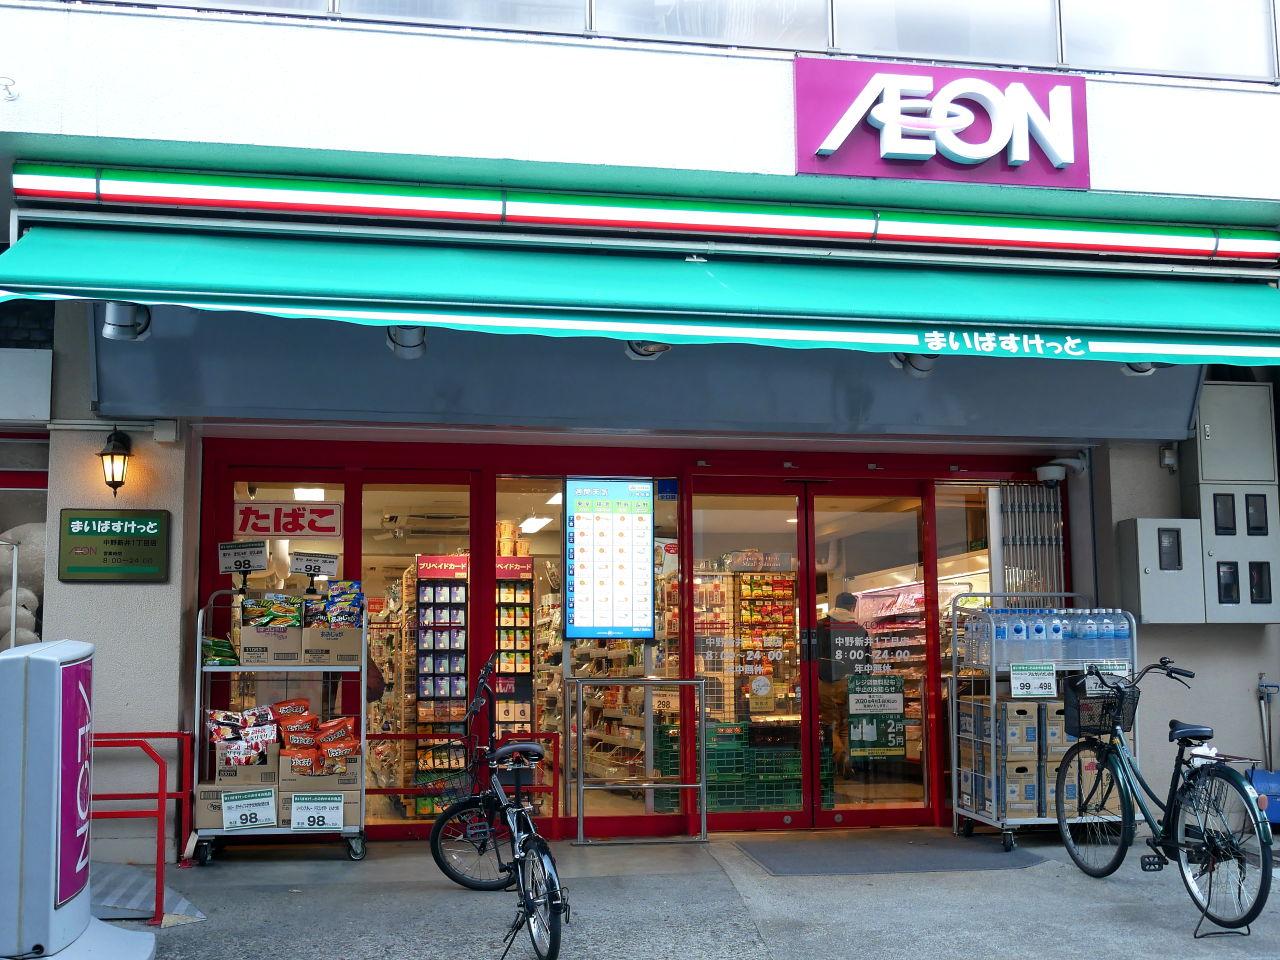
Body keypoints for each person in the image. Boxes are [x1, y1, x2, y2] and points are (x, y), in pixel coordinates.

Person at [817, 593, 868, 774]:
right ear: (852, 607)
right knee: (846, 724)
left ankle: (840, 756)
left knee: (830, 723)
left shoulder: (820, 626)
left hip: (826, 682)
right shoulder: (859, 630)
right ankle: (845, 761)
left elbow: (813, 655)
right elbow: (866, 660)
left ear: (836, 605)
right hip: (850, 682)